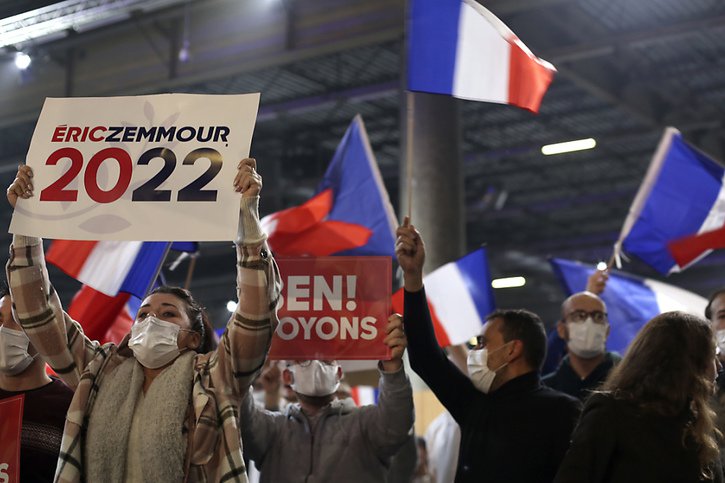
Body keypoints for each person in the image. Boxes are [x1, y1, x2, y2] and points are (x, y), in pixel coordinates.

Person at [5, 159, 281, 483]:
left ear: (193, 338)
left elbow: (257, 314)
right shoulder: (99, 371)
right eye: (144, 314)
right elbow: (37, 312)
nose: (151, 321)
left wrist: (246, 223)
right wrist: (26, 223)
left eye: (168, 314)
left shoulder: (217, 377)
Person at [396, 218, 581, 483]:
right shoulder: (475, 404)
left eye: (483, 343)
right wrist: (413, 278)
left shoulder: (562, 412)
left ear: (512, 350)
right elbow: (426, 357)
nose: (475, 352)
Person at [240, 314, 415, 482]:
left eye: (326, 360)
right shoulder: (272, 430)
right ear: (287, 377)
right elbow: (241, 421)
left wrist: (392, 368)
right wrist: (244, 365)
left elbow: (396, 425)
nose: (315, 363)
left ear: (338, 374)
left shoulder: (365, 424)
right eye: (303, 360)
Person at [555, 311, 724, 483]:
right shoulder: (611, 412)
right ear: (687, 361)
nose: (718, 365)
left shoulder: (699, 425)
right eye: (712, 355)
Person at [0, 284, 74, 482]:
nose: (5, 329)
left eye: (19, 320)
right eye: (0, 320)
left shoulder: (73, 405)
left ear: (48, 330)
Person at [543, 291, 621, 401]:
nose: (589, 323)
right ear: (561, 329)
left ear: (607, 330)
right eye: (579, 316)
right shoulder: (546, 390)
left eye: (598, 316)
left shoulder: (627, 383)